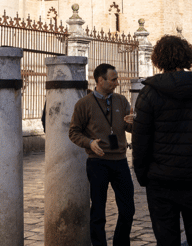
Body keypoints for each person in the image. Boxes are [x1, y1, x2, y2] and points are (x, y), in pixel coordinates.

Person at [132, 35, 192, 246]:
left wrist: (144, 176)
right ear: (188, 57)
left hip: (161, 182)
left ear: (158, 58)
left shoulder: (148, 94)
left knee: (166, 240)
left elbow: (140, 142)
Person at [69, 63, 135, 246]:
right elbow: (73, 132)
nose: (117, 82)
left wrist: (134, 123)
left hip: (120, 162)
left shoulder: (121, 101)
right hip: (97, 163)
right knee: (98, 211)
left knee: (128, 209)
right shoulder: (84, 104)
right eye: (113, 79)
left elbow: (130, 127)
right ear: (100, 80)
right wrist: (89, 142)